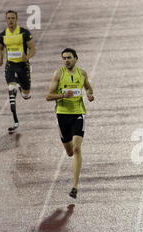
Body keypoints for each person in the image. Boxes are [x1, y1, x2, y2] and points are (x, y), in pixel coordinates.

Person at [46, 48, 94, 199]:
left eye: (69, 58)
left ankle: (75, 186)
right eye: (64, 58)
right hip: (62, 115)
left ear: (76, 59)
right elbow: (48, 96)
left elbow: (88, 87)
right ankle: (74, 164)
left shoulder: (82, 73)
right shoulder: (59, 74)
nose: (66, 60)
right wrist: (62, 95)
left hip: (78, 114)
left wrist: (90, 94)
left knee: (77, 148)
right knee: (69, 152)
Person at [0, 10, 36, 132]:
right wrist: (0, 58)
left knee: (26, 95)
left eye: (13, 18)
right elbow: (0, 48)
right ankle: (15, 121)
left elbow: (32, 48)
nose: (10, 20)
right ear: (6, 20)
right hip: (10, 65)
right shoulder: (3, 35)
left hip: (23, 66)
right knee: (10, 89)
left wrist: (28, 57)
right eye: (8, 18)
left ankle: (20, 87)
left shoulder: (24, 33)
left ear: (16, 19)